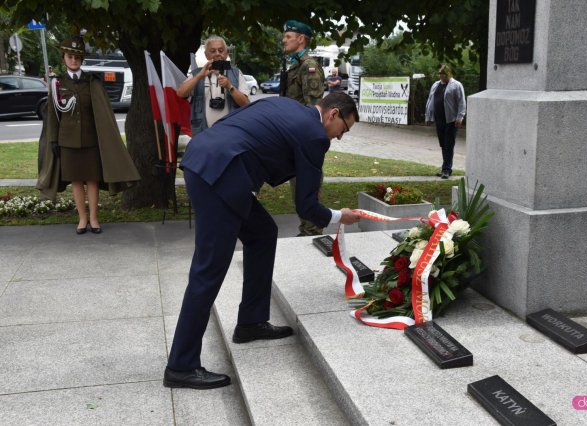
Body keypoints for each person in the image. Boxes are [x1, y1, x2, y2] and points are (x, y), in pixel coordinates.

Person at [164, 92, 360, 390]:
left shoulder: (284, 103)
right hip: (220, 177)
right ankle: (181, 365)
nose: (340, 138)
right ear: (333, 114)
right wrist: (338, 215)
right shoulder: (314, 135)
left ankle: (251, 322)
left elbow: (239, 125)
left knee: (263, 233)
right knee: (209, 269)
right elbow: (306, 207)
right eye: (344, 129)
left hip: (207, 159)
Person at [39, 36, 140, 233]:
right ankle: (82, 219)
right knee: (76, 181)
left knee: (92, 180)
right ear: (64, 58)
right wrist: (53, 140)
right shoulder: (57, 84)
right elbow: (52, 115)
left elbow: (103, 114)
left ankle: (94, 219)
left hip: (91, 140)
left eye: (77, 57)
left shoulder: (92, 82)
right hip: (67, 141)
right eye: (70, 56)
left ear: (82, 59)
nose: (74, 60)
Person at [281, 19, 326, 236]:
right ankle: (306, 229)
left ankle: (313, 231)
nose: (284, 40)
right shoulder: (295, 66)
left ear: (301, 39)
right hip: (294, 137)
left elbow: (314, 107)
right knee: (297, 187)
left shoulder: (309, 67)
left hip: (304, 139)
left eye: (288, 37)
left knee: (307, 188)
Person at [177, 36, 250, 137]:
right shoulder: (197, 73)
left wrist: (230, 87)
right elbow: (180, 93)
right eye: (212, 51)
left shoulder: (236, 73)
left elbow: (246, 104)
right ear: (206, 55)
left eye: (221, 50)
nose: (217, 54)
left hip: (231, 134)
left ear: (226, 53)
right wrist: (199, 76)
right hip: (203, 134)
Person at [425, 64, 466, 179]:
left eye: (443, 74)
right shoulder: (436, 85)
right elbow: (430, 100)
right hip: (439, 119)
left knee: (449, 144)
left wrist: (460, 117)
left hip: (451, 120)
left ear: (449, 74)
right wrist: (428, 117)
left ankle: (447, 169)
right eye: (440, 74)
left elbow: (461, 102)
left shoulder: (456, 85)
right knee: (443, 144)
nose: (441, 76)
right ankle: (444, 168)